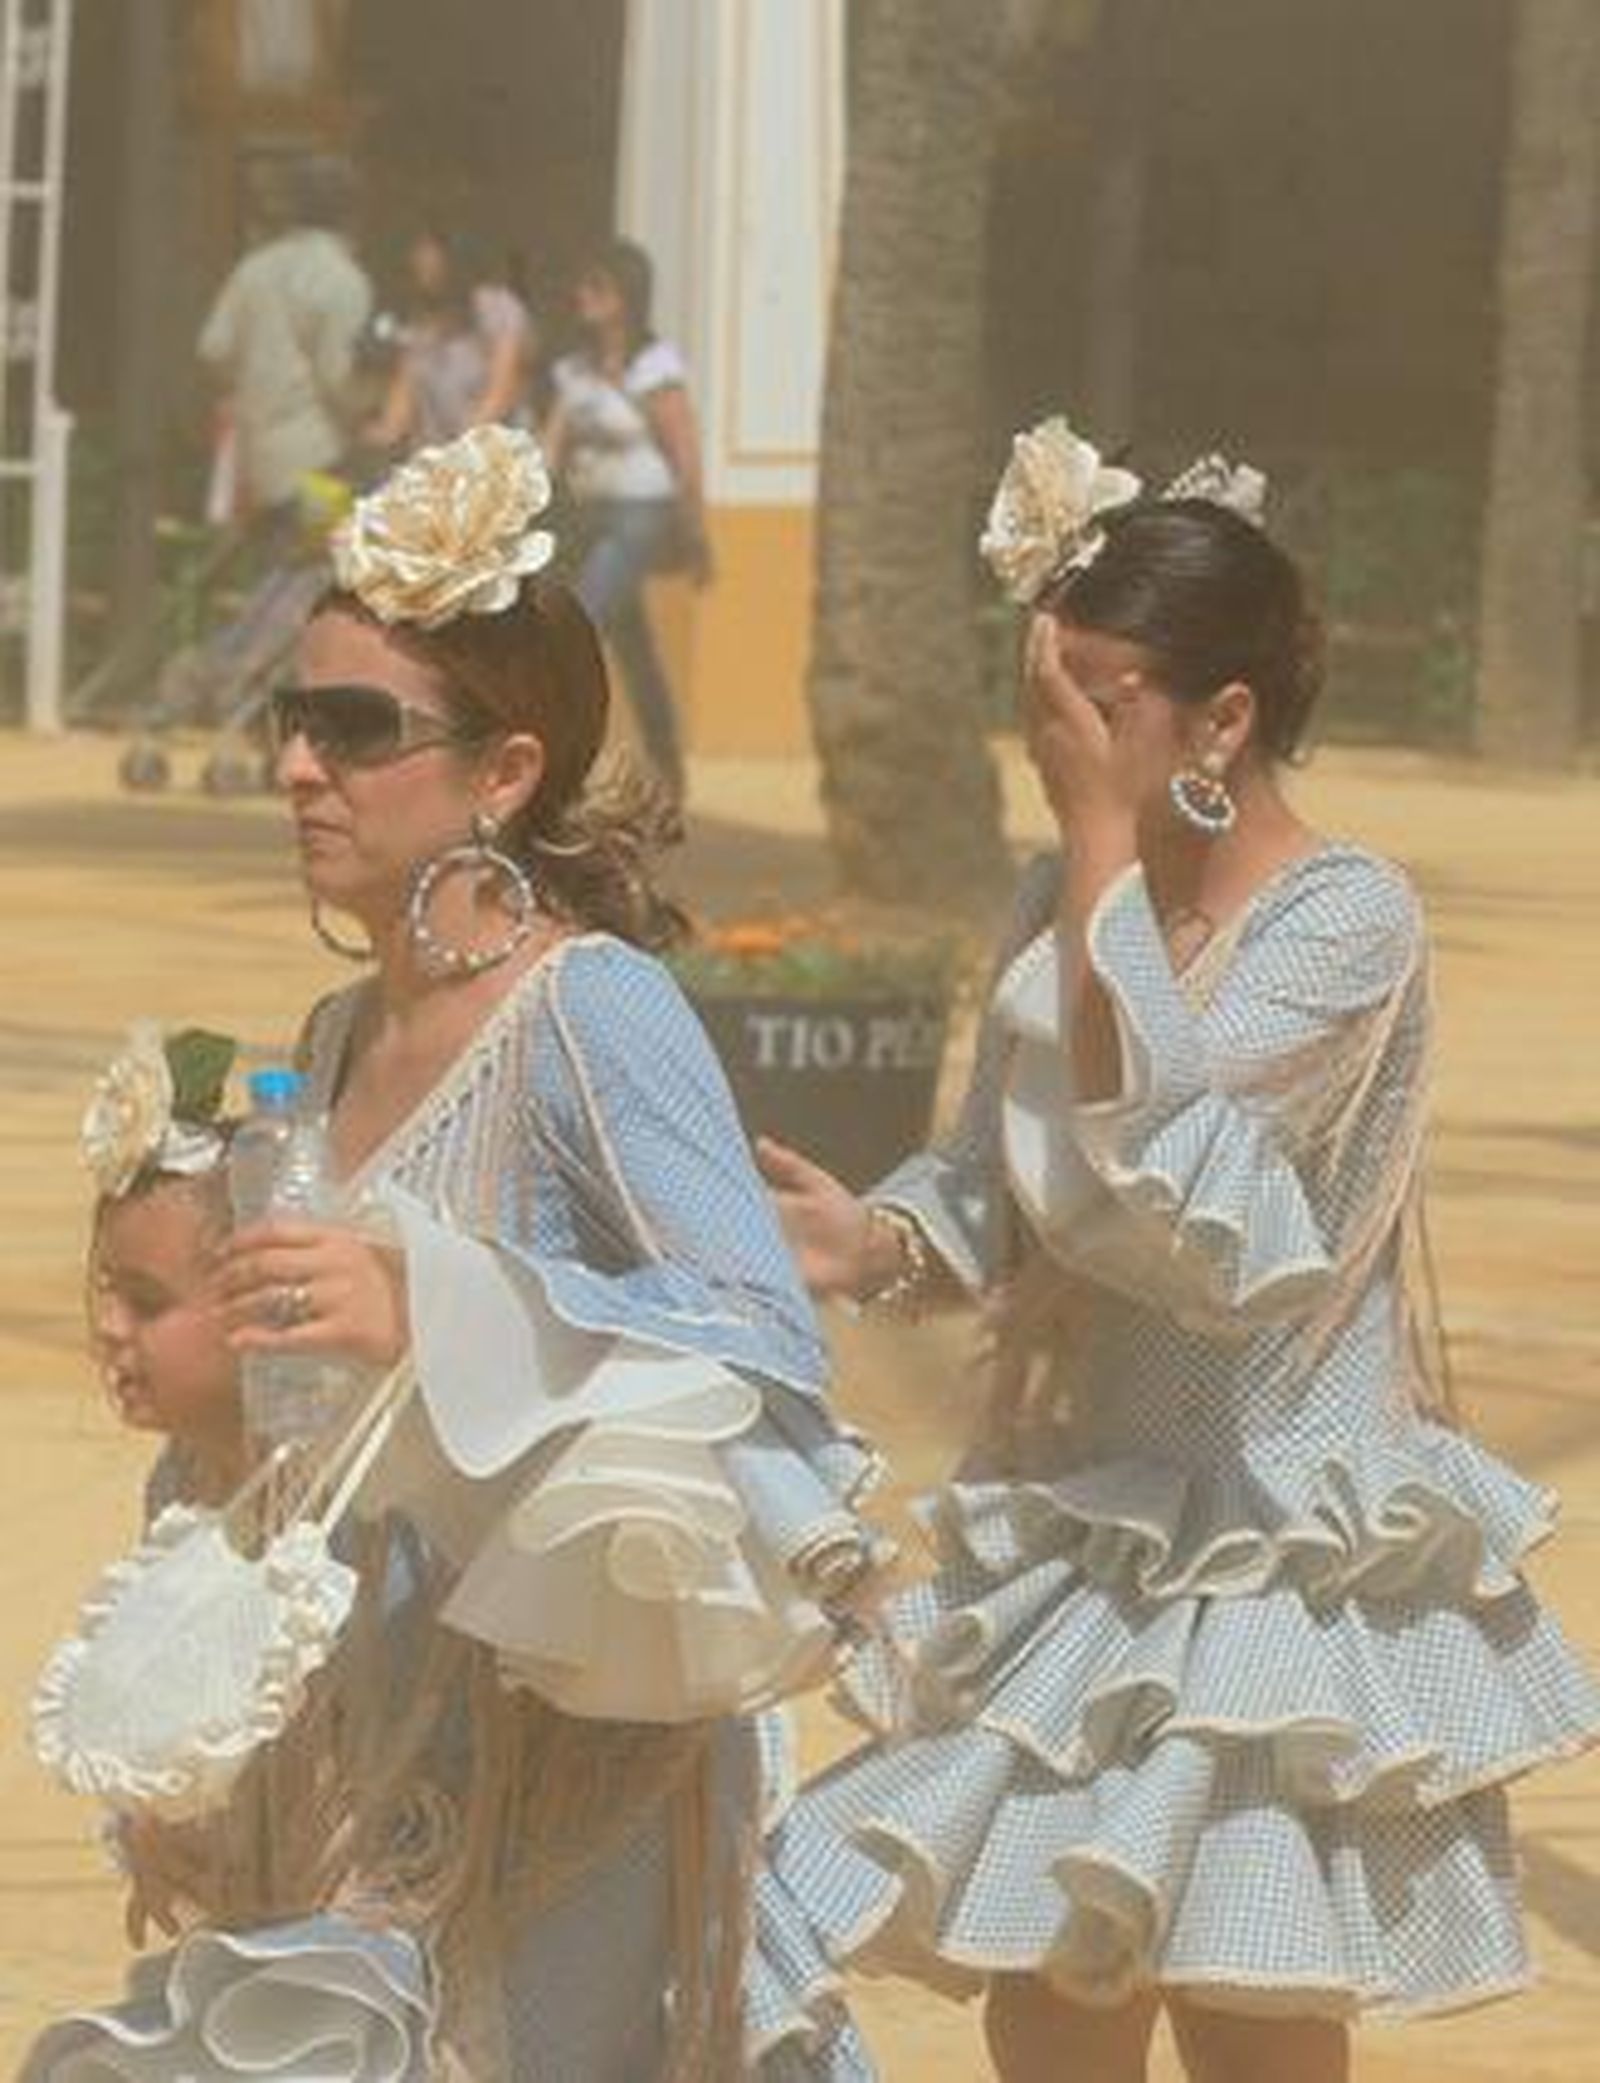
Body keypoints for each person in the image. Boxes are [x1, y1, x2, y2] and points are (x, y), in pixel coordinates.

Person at [758, 420, 1600, 2082]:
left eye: (1103, 699)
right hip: (1098, 1516)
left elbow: (1178, 1185)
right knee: (1054, 1984)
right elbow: (1008, 1158)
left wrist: (1090, 859)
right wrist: (886, 1233)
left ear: (1221, 717)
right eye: (1046, 697)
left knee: (1247, 2000)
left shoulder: (1345, 917)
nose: (1063, 738)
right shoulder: (1056, 893)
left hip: (1282, 1535)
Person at [199, 421, 873, 2078]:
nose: (302, 766)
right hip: (374, 1736)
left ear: (504, 771)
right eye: (298, 718)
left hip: (585, 1763)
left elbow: (760, 1330)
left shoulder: (592, 1006)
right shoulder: (338, 1028)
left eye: (356, 729)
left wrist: (445, 1304)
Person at [544, 237, 711, 801]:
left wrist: (696, 531)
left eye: (598, 287)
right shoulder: (575, 370)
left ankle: (557, 767)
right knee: (633, 645)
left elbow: (684, 453)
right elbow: (552, 447)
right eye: (582, 285)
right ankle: (667, 761)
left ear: (627, 297)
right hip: (588, 514)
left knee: (579, 625)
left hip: (642, 512)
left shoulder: (656, 367)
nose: (583, 296)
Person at [197, 157, 373, 523]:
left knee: (273, 570)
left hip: (256, 457)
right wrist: (370, 418)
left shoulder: (253, 268)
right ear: (352, 213)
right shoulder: (344, 279)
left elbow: (213, 349)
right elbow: (336, 377)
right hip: (320, 456)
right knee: (319, 572)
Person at [368, 228, 535, 454]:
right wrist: (379, 433)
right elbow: (401, 400)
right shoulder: (418, 325)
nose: (416, 261)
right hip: (434, 464)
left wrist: (455, 453)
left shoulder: (499, 308)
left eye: (426, 254)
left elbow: (500, 394)